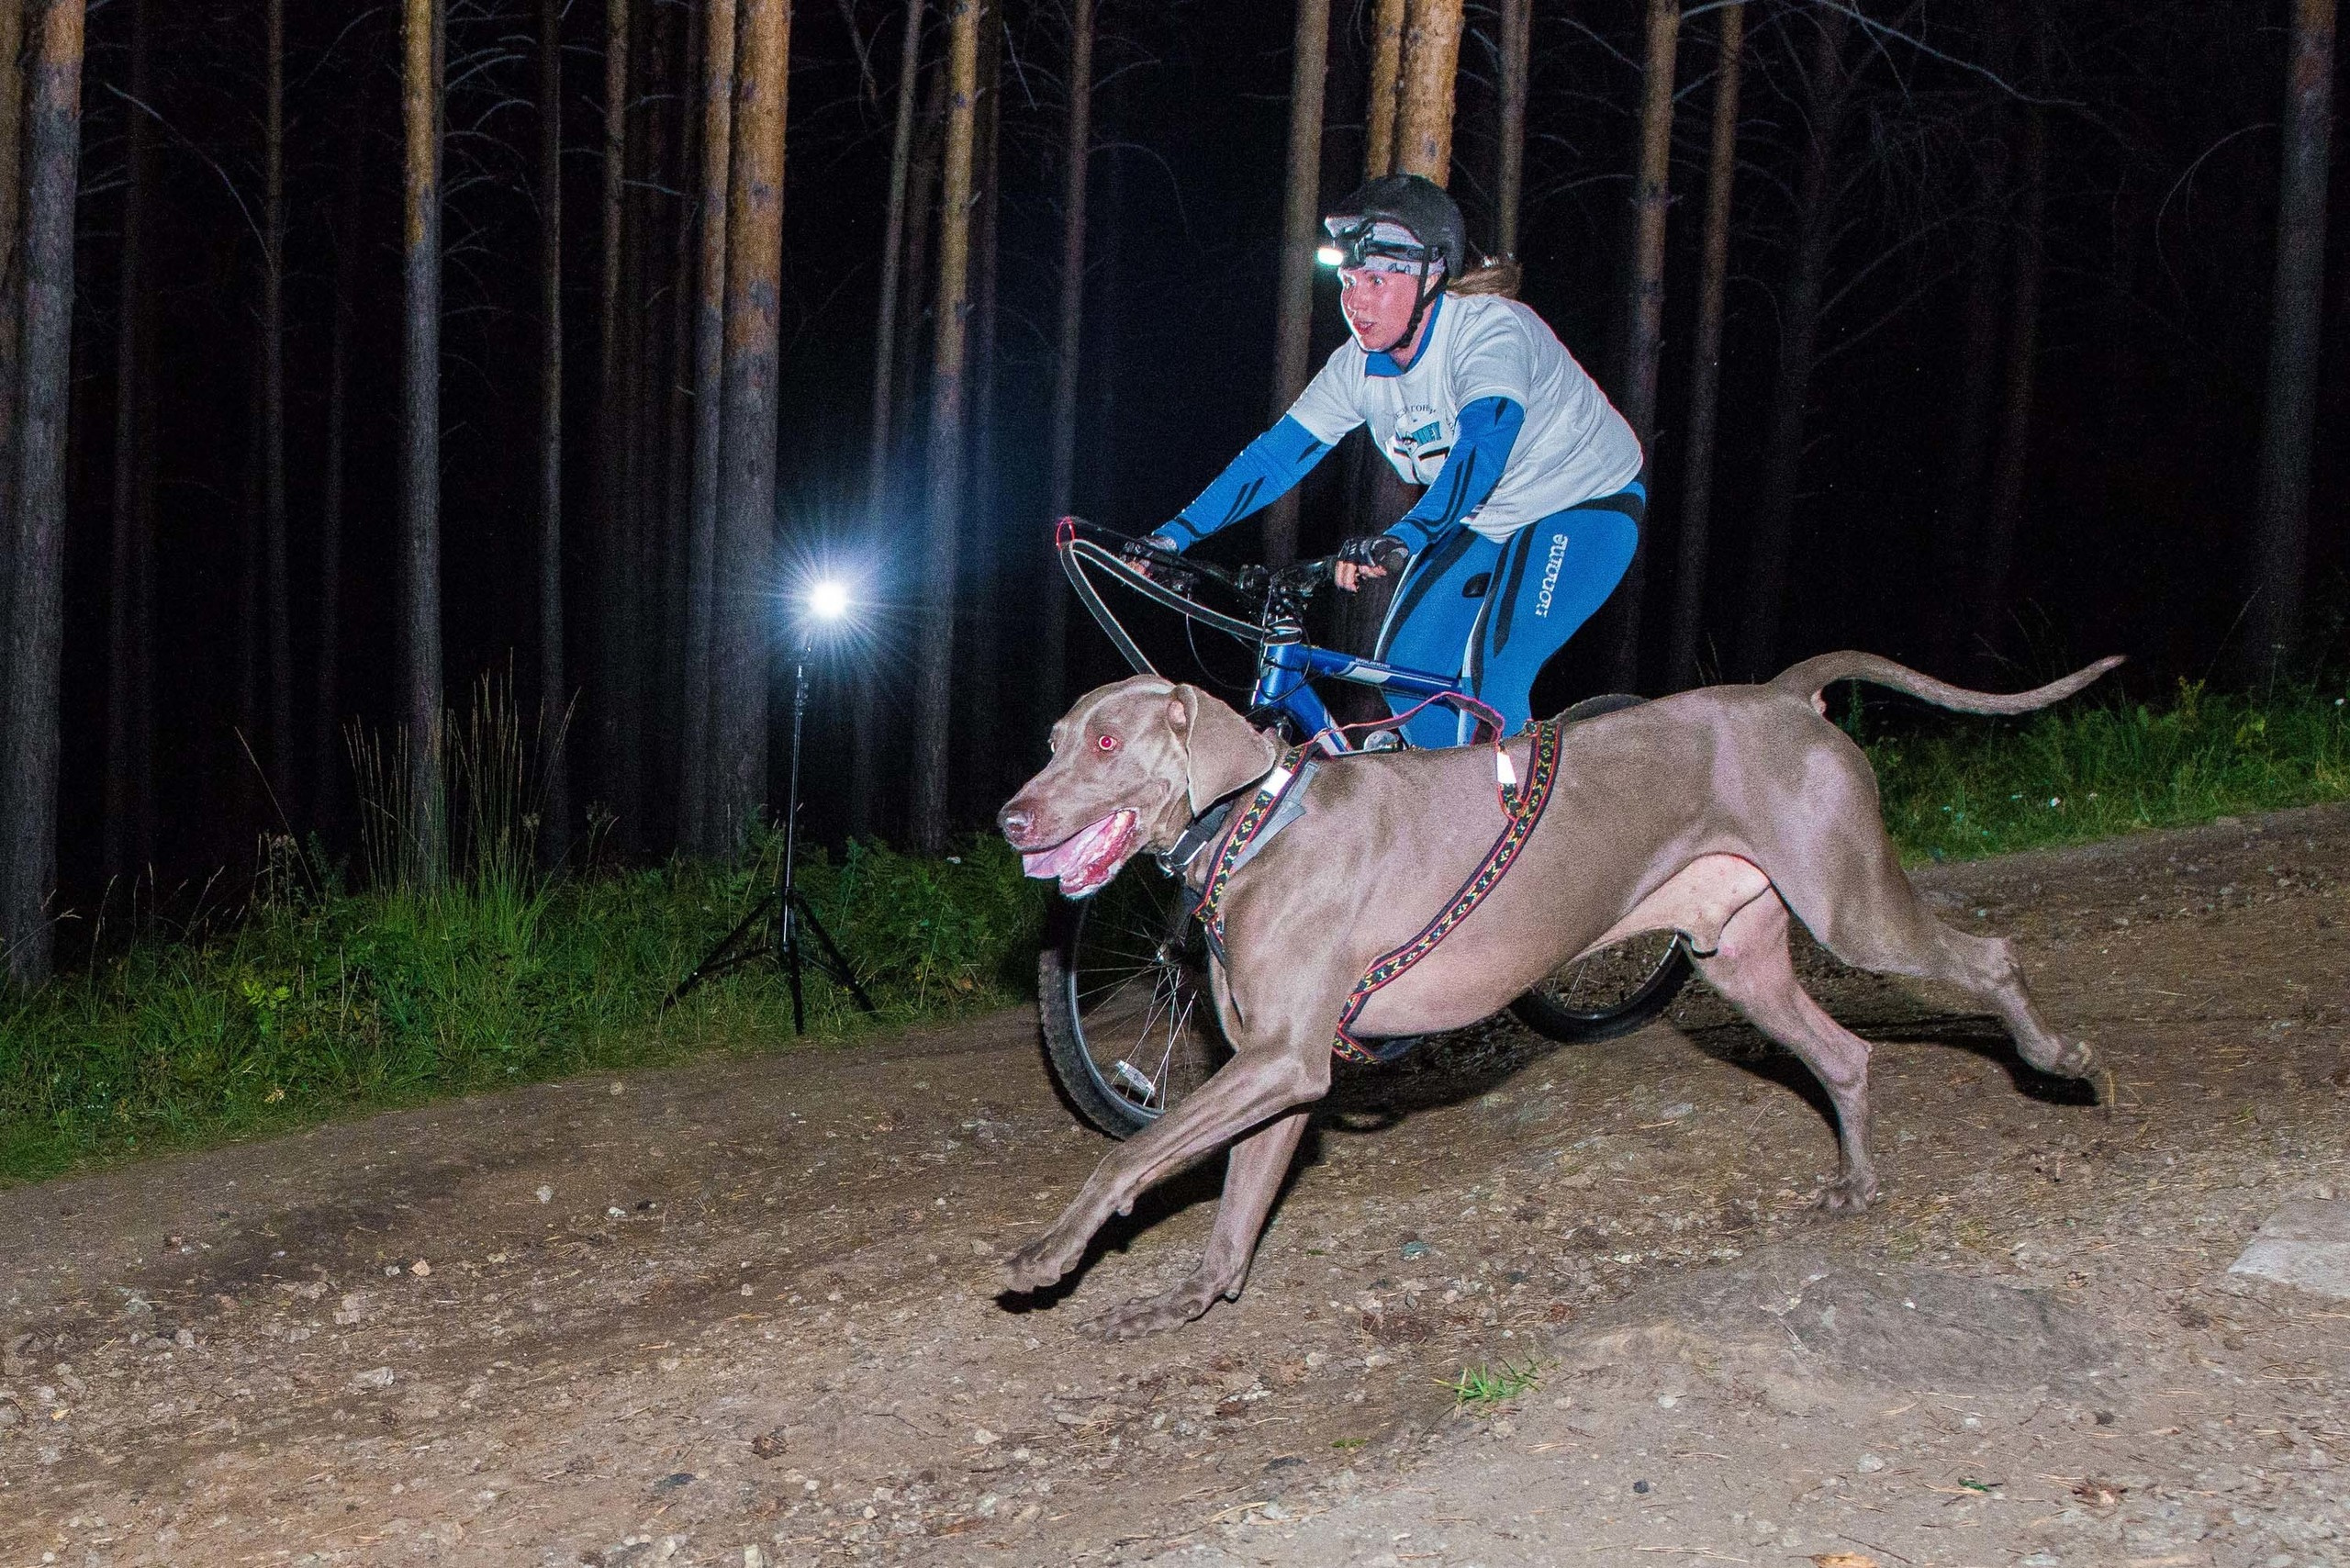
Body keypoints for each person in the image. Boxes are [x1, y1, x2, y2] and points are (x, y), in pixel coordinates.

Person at [1146, 174, 1644, 748]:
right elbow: (1277, 456)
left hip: (1583, 502)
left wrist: (1408, 534)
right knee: (1406, 667)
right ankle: (1452, 806)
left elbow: (1484, 445)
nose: (1354, 301)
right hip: (1486, 515)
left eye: (1377, 281)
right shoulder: (1357, 366)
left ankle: (1514, 820)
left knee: (1495, 667)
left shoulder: (1490, 331)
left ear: (1431, 278)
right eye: (1348, 280)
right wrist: (1173, 537)